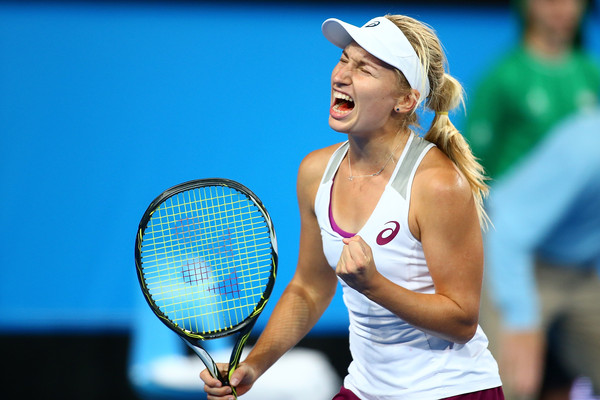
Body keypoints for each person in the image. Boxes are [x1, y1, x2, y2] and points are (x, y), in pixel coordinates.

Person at [201, 14, 503, 400]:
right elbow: (309, 289)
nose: (341, 75)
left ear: (405, 99)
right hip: (364, 389)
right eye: (344, 59)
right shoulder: (315, 172)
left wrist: (374, 286)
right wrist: (254, 365)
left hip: (449, 390)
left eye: (364, 68)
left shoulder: (438, 184)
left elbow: (461, 319)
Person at [464, 1, 600, 398]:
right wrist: (520, 319)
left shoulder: (591, 74)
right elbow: (490, 201)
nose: (561, 8)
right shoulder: (503, 79)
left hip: (579, 265)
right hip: (512, 252)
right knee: (512, 384)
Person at [484, 108, 600, 400]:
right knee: (508, 386)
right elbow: (506, 227)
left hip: (583, 272)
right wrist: (521, 318)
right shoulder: (586, 146)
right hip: (514, 261)